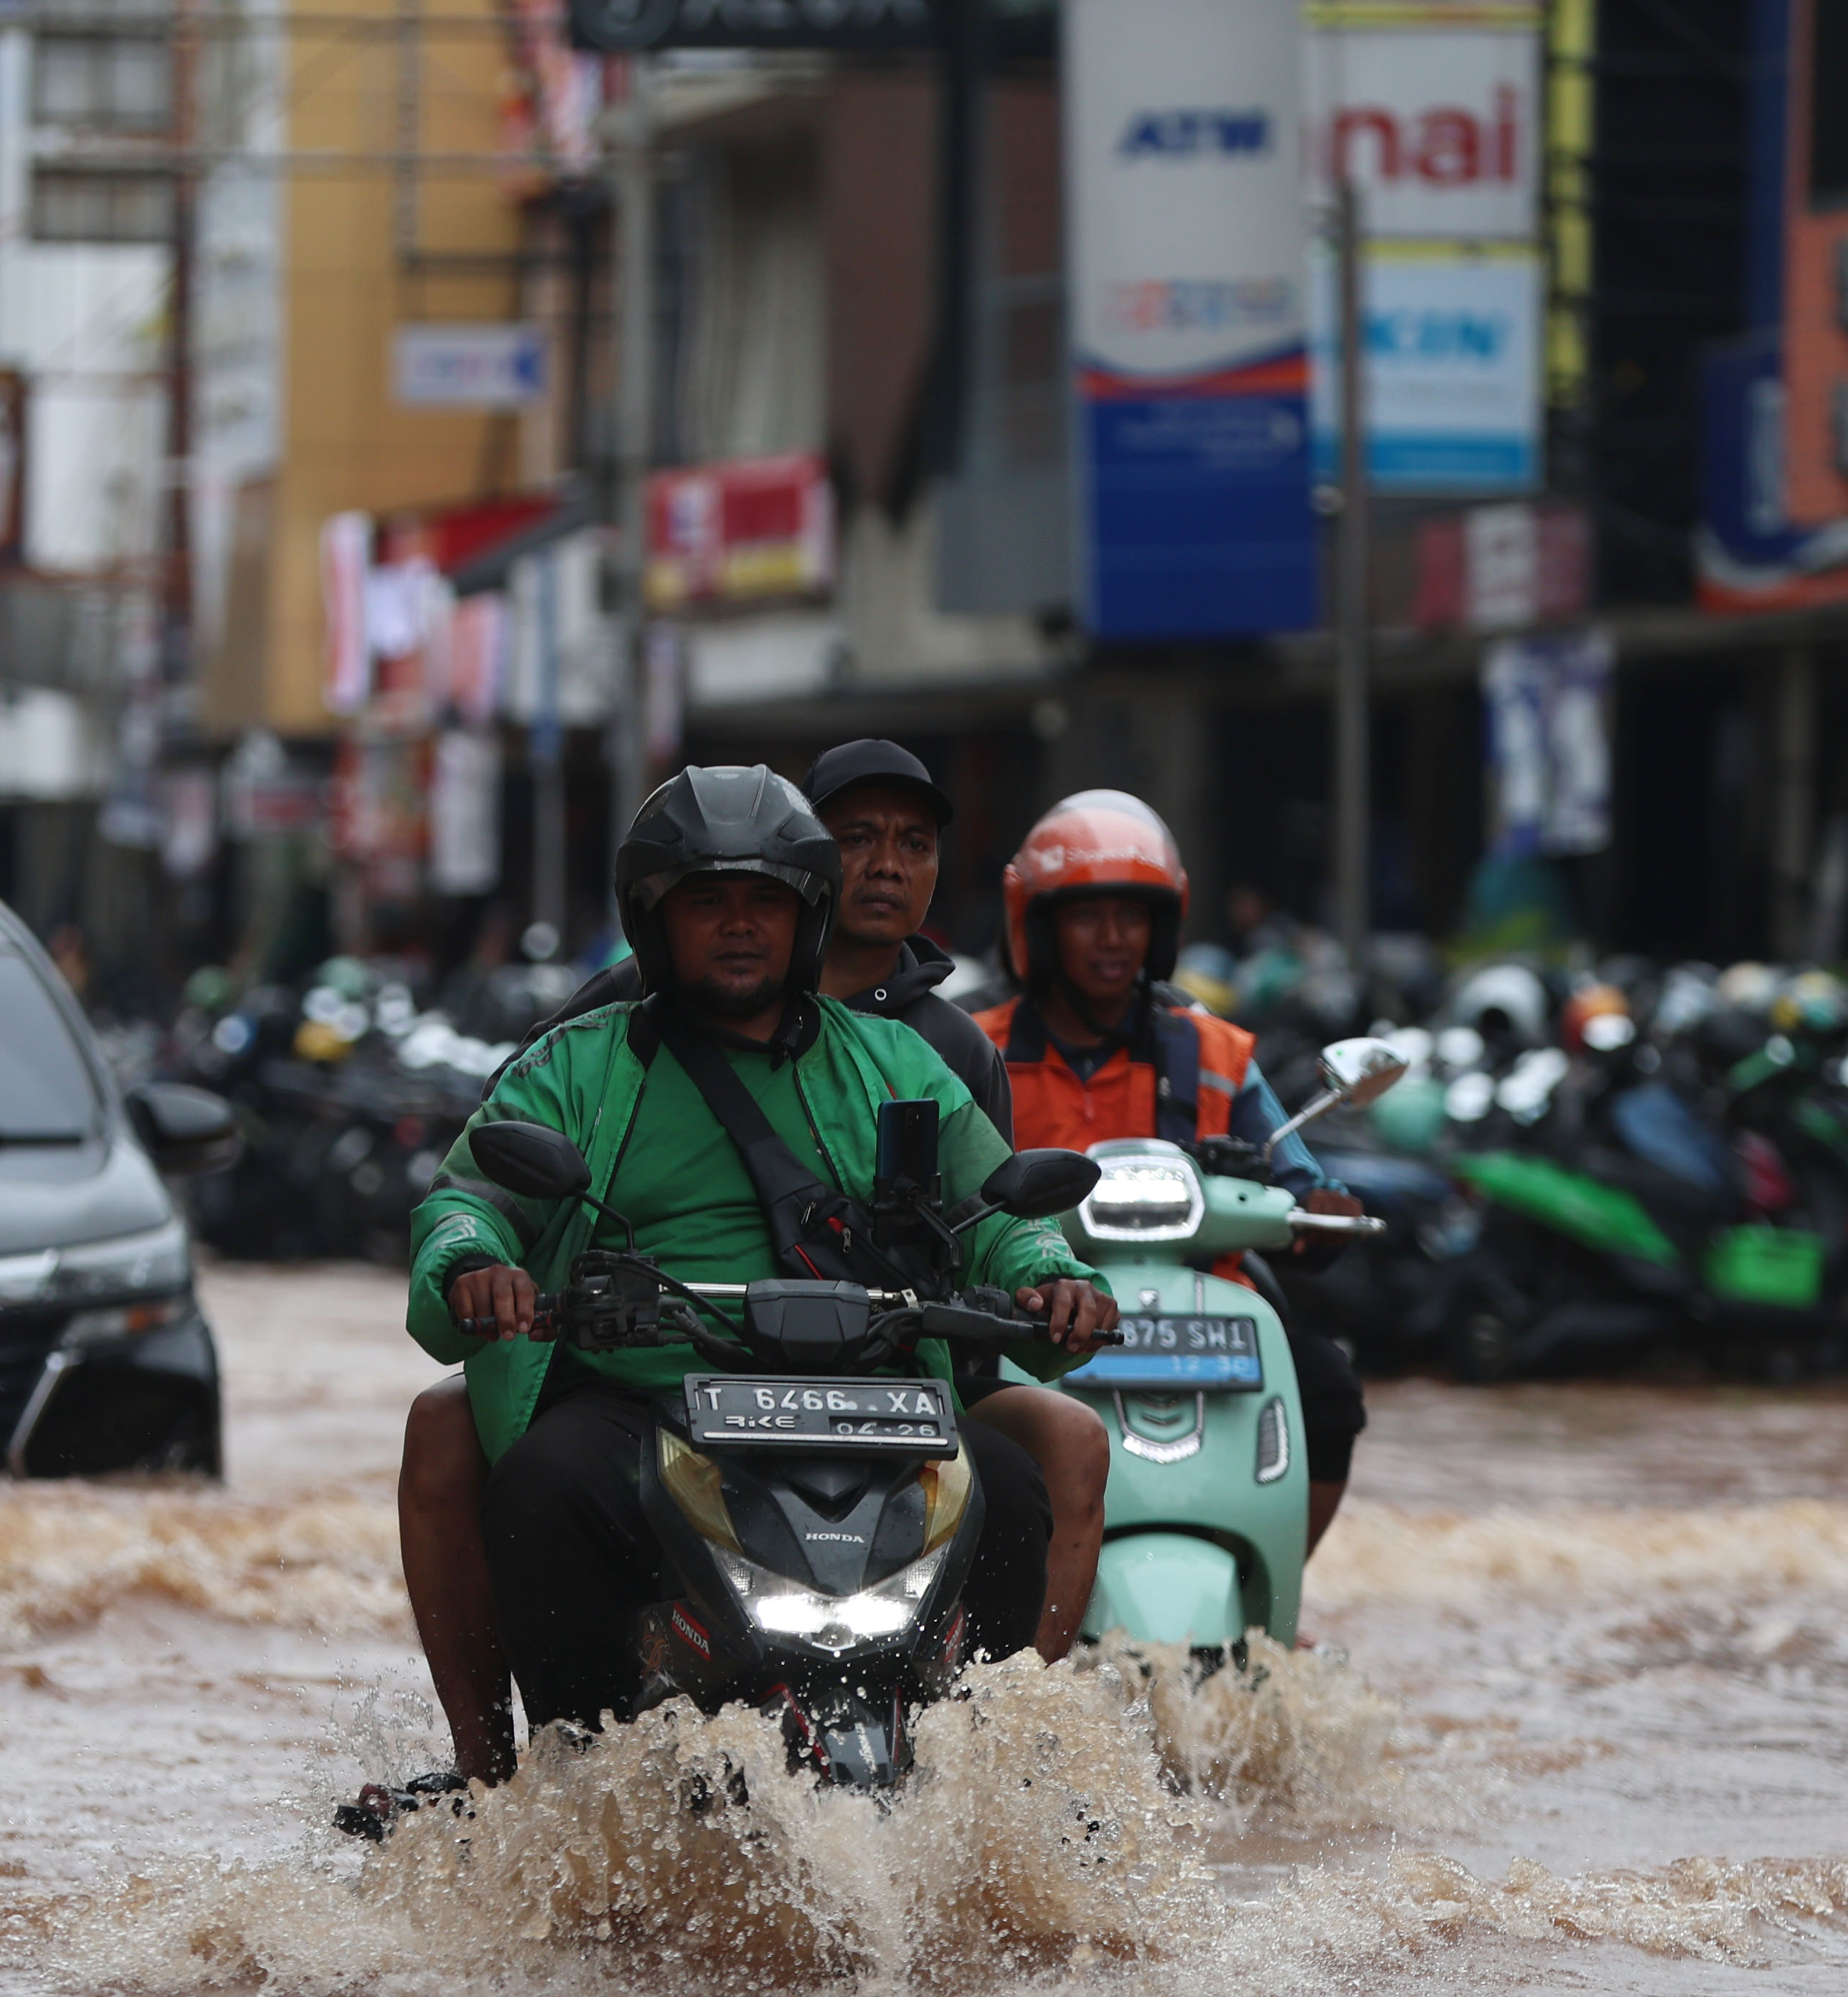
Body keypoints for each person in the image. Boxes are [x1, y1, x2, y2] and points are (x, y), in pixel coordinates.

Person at [390, 740, 1114, 1783]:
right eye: (706, 901)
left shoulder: (898, 1064)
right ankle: (554, 1789)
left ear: (804, 917)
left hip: (868, 1396)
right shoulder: (578, 1062)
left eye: (764, 901)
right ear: (655, 920)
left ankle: (988, 1781)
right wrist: (475, 1266)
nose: (737, 923)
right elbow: (466, 1202)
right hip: (642, 1393)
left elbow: (992, 1208)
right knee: (544, 1487)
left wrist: (1052, 1274)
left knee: (1002, 1484)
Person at [974, 792, 1370, 1556]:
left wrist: (1316, 1210)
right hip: (1029, 1308)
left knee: (1326, 1395)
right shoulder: (973, 1048)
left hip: (1197, 1310)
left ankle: (1271, 1600)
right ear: (1039, 924)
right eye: (1089, 916)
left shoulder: (1212, 1051)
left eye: (1134, 916)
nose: (1114, 938)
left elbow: (1291, 1174)